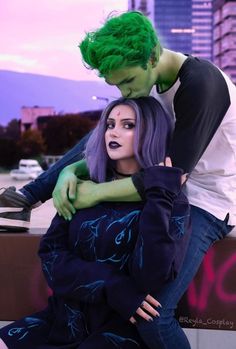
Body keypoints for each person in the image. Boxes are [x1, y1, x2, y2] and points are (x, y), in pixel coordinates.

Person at [0, 10, 235, 348]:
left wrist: (93, 193)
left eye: (127, 81)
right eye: (116, 85)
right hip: (159, 188)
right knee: (106, 125)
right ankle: (30, 195)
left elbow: (170, 179)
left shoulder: (201, 83)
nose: (125, 91)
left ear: (152, 56)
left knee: (154, 315)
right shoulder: (150, 83)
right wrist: (69, 171)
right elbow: (110, 147)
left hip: (206, 200)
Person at [0, 96, 191, 349]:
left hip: (119, 330)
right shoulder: (85, 189)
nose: (114, 132)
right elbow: (51, 256)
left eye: (128, 125)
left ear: (152, 133)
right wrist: (112, 285)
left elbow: (153, 275)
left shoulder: (169, 199)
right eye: (110, 124)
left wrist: (159, 196)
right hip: (62, 320)